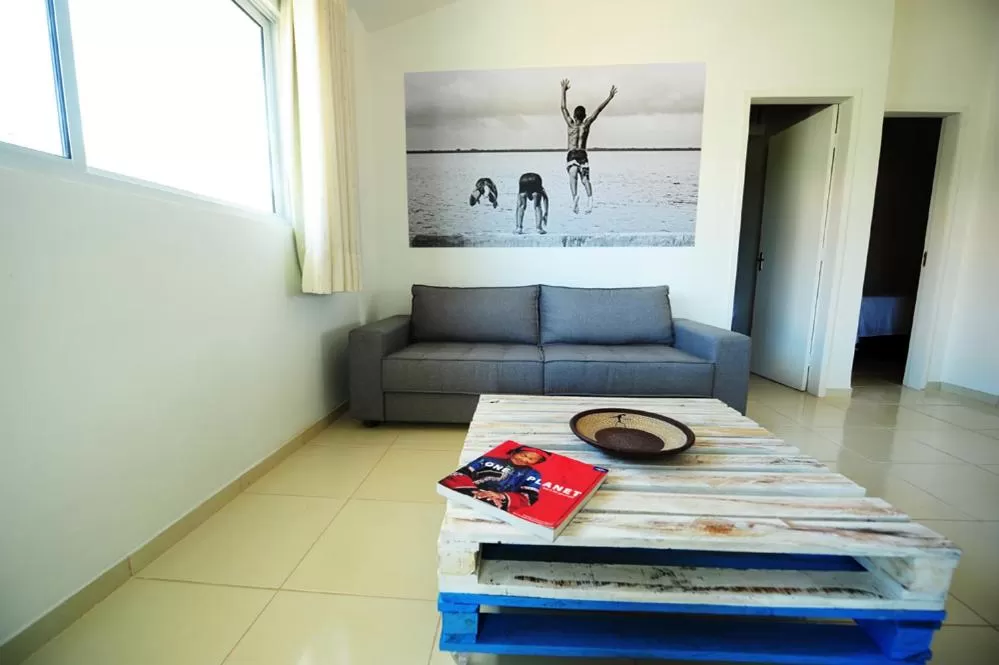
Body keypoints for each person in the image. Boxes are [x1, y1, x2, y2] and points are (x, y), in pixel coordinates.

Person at [560, 79, 618, 214]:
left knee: (572, 175)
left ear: (574, 115)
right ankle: (590, 200)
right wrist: (609, 97)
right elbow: (598, 110)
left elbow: (563, 108)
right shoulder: (586, 124)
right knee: (585, 179)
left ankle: (574, 198)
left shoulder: (570, 124)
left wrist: (563, 90)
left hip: (572, 153)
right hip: (582, 154)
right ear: (584, 115)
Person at [439, 446, 548, 511]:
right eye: (524, 455)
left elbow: (529, 497)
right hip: (467, 490)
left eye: (531, 459)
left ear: (537, 462)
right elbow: (461, 473)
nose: (525, 460)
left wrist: (501, 496)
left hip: (498, 502)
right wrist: (474, 491)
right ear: (514, 452)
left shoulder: (533, 474)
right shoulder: (487, 460)